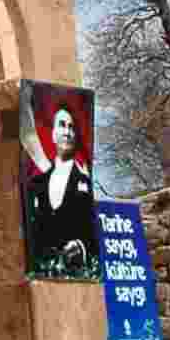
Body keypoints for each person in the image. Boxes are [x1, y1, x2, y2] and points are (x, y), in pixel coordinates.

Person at [26, 103, 97, 274]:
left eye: (71, 127)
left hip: (78, 275)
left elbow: (92, 227)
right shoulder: (37, 184)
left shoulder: (85, 182)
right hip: (44, 273)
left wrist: (81, 246)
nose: (67, 132)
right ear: (53, 134)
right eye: (62, 125)